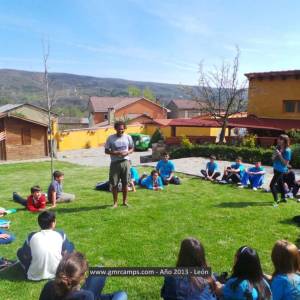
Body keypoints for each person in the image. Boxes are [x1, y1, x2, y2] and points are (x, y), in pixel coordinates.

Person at [39, 251, 127, 300]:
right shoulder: (86, 296)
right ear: (82, 278)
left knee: (99, 270)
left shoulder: (48, 286)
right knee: (122, 295)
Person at [17, 211, 74, 281]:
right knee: (71, 245)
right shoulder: (60, 234)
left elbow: (26, 254)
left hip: (34, 274)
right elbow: (65, 252)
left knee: (19, 252)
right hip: (58, 272)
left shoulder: (31, 236)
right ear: (53, 223)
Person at [105, 121, 134, 208]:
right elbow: (106, 150)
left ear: (124, 128)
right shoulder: (110, 138)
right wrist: (115, 153)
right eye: (119, 129)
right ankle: (115, 203)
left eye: (122, 129)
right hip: (115, 163)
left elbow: (132, 148)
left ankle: (125, 202)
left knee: (125, 183)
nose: (121, 130)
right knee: (114, 184)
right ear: (115, 128)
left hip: (125, 162)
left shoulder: (128, 137)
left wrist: (127, 152)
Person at [270, 134, 292, 205]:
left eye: (281, 139)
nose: (278, 140)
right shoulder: (277, 147)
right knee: (280, 183)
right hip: (275, 168)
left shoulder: (288, 151)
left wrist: (279, 154)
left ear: (285, 141)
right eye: (278, 138)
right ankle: (283, 198)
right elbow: (272, 159)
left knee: (271, 185)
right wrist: (275, 154)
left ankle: (276, 200)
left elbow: (285, 164)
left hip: (281, 170)